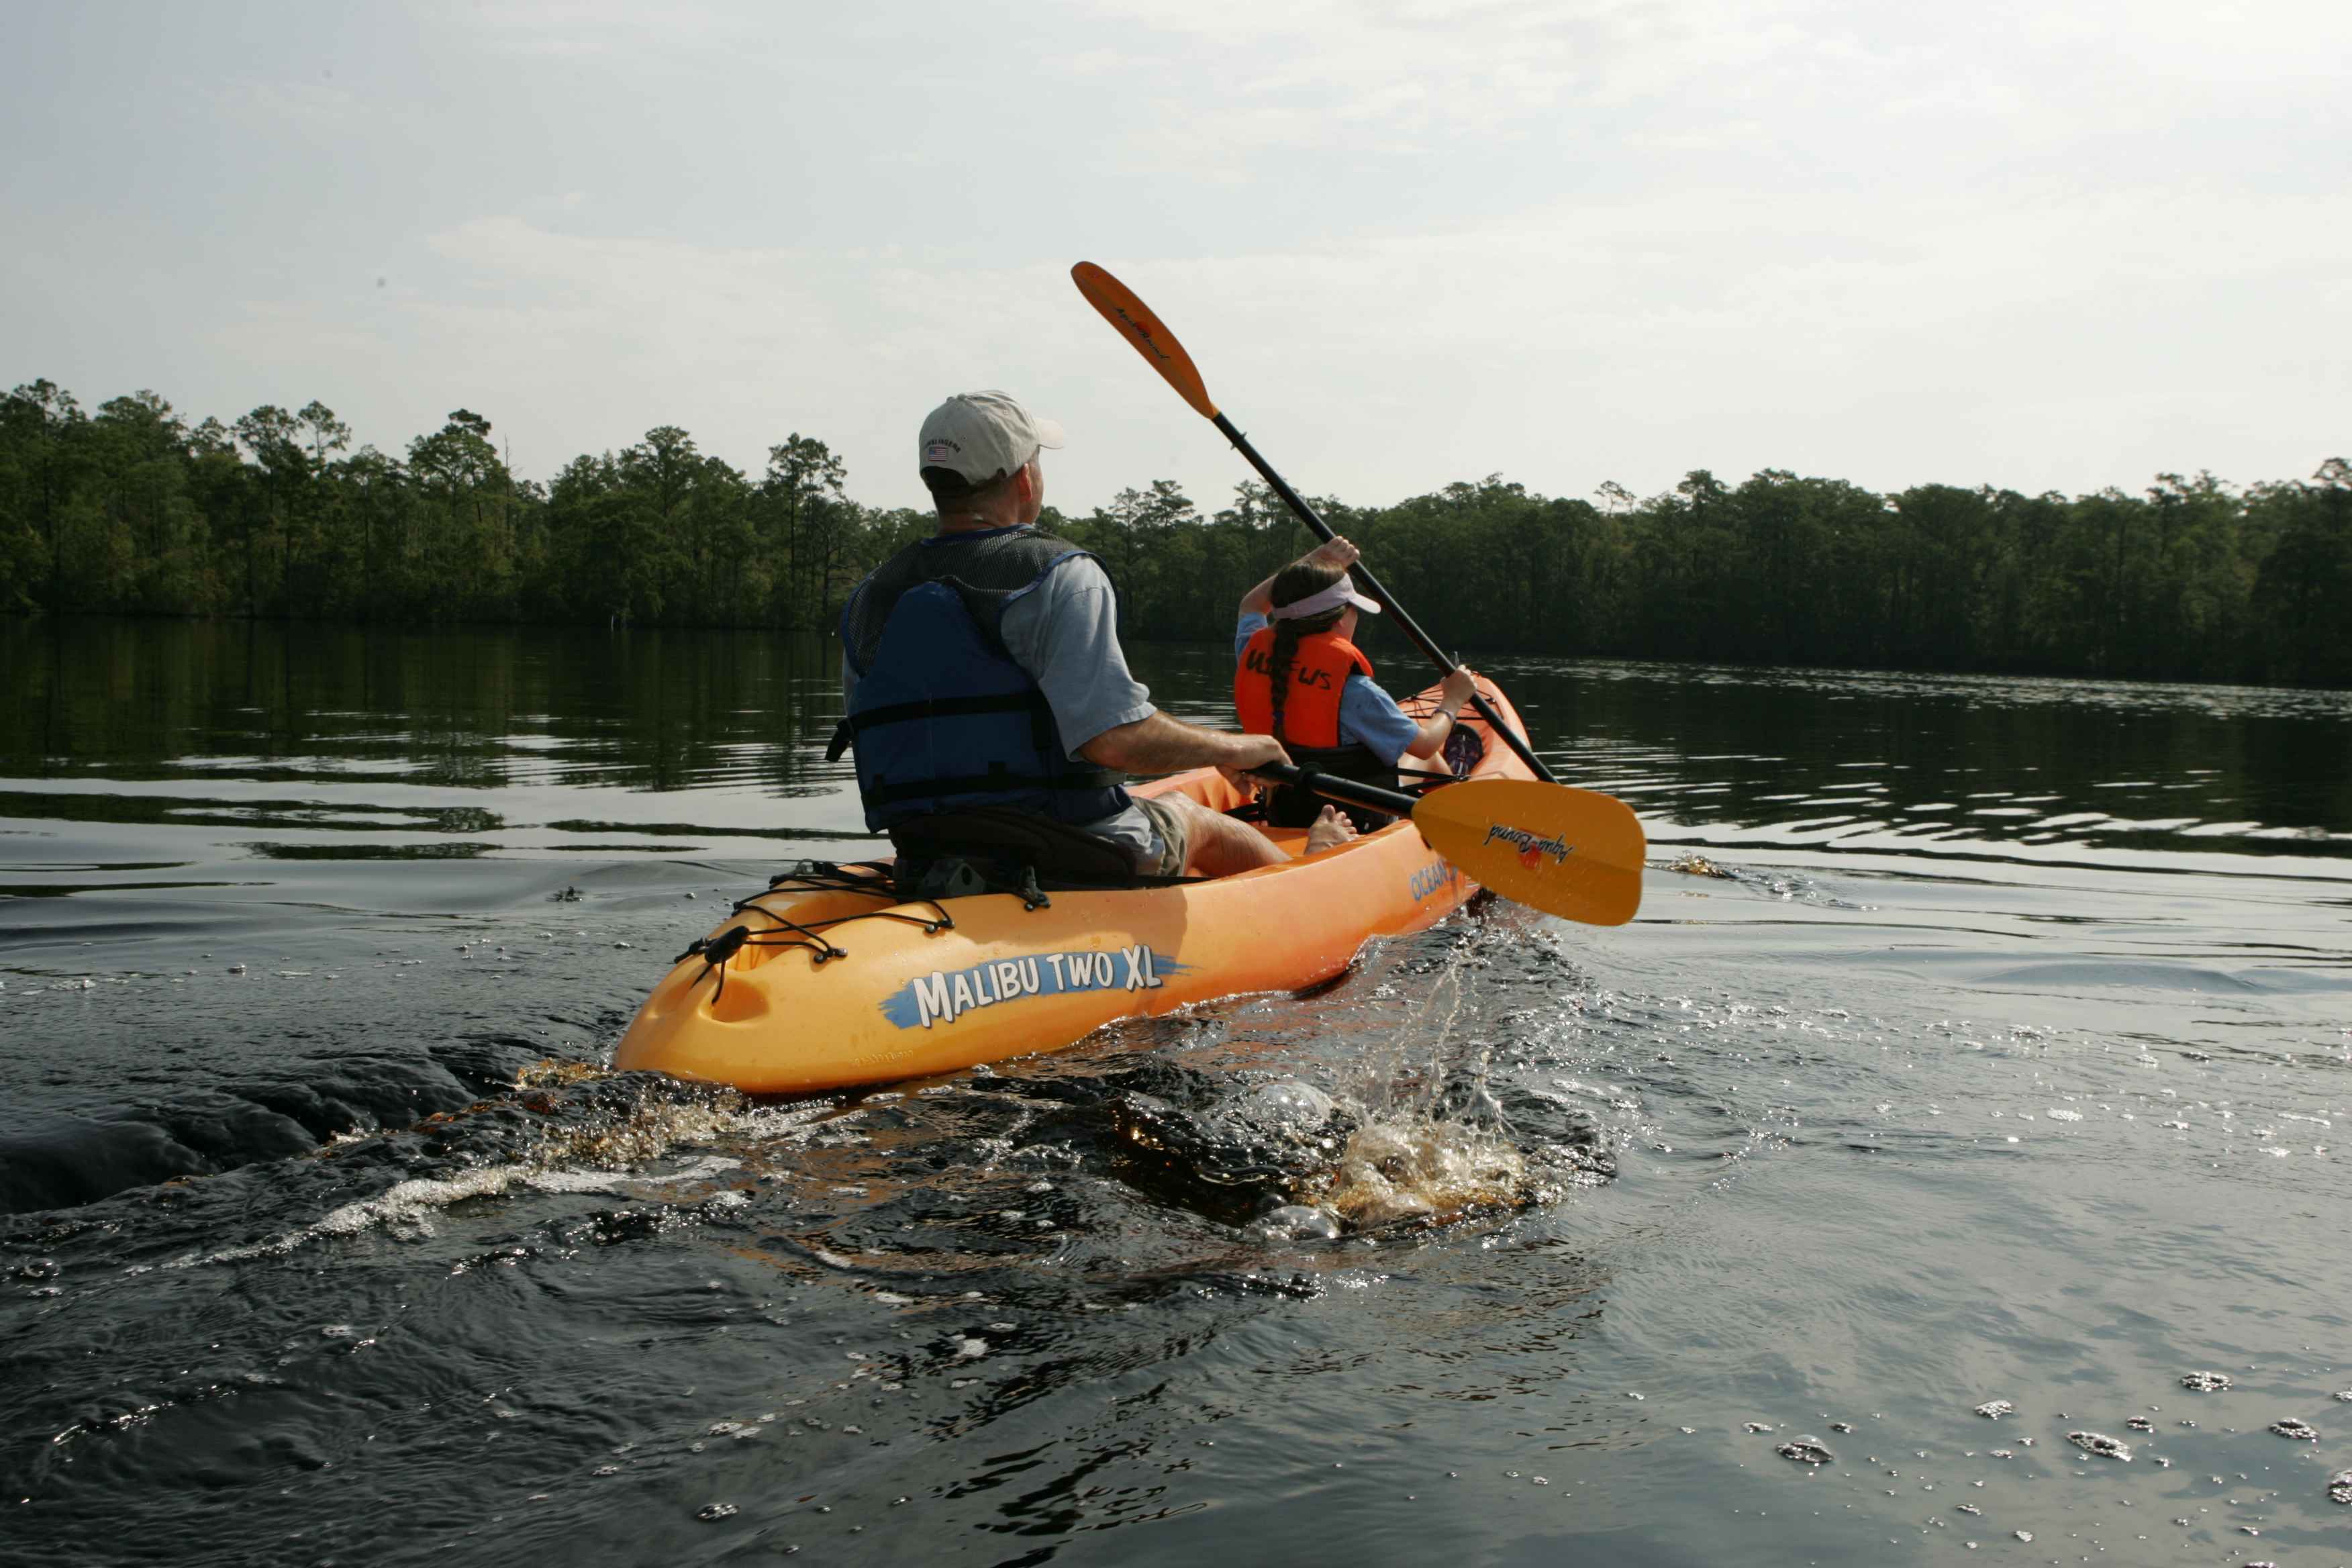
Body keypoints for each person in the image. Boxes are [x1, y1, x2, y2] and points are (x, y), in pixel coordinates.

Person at [834, 390, 1356, 887]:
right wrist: (1240, 747)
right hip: (1065, 846)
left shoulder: (871, 596)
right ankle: (1311, 874)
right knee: (1197, 819)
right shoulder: (1059, 574)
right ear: (1024, 479)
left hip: (929, 850)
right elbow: (1114, 739)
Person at [1233, 536, 1480, 829]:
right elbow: (1425, 746)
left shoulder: (1250, 651)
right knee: (1430, 760)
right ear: (1340, 619)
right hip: (1356, 818)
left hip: (1283, 811)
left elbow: (1252, 605)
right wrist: (1453, 698)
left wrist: (1317, 559)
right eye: (1354, 610)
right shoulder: (1357, 691)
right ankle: (1452, 825)